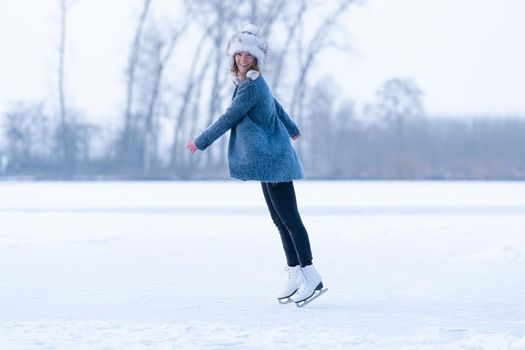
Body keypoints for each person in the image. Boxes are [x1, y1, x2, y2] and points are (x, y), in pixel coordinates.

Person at [187, 24, 324, 305]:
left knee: (290, 219)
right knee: (279, 219)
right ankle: (296, 272)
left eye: (247, 56)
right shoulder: (251, 84)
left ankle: (312, 274)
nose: (242, 59)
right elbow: (276, 105)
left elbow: (229, 118)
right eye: (238, 55)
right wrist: (291, 126)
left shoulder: (250, 87)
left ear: (255, 59)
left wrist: (200, 142)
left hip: (275, 160)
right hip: (268, 160)